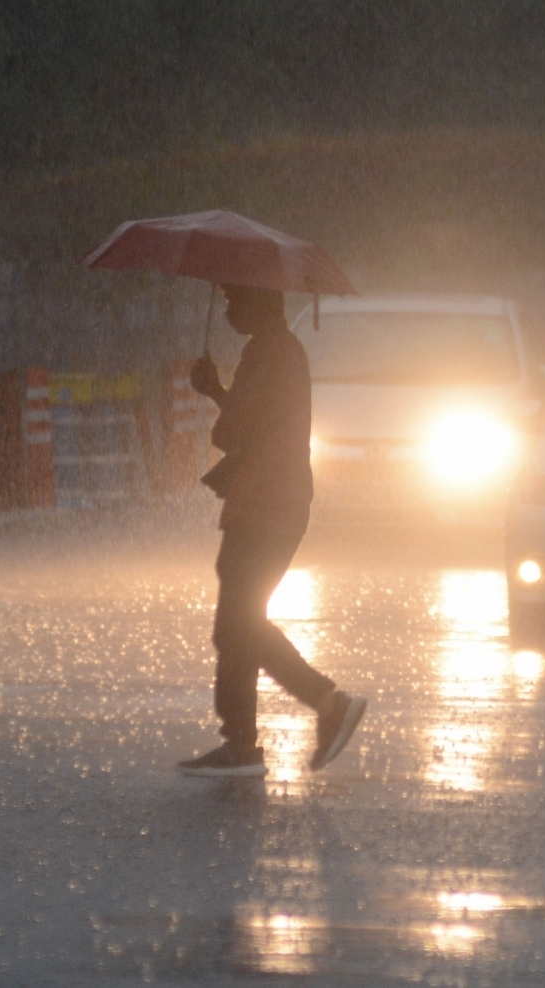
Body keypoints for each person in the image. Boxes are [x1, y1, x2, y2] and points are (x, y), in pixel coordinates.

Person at [176, 283, 366, 778]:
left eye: (236, 301)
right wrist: (220, 390)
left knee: (238, 622)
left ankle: (323, 702)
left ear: (261, 304)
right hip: (269, 502)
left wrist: (213, 389)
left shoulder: (269, 355)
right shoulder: (277, 352)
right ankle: (242, 741)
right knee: (238, 623)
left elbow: (234, 430)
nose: (230, 310)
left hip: (266, 503)